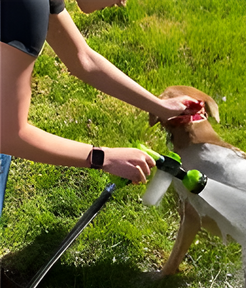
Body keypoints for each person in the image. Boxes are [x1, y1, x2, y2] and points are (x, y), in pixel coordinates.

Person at [0, 0, 199, 193]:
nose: (123, 3)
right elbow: (8, 135)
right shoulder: (23, 11)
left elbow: (83, 59)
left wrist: (160, 107)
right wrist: (104, 158)